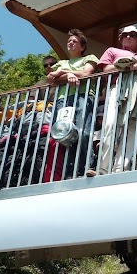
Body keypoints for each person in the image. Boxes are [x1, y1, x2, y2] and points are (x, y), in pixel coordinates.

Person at [92, 25, 137, 176]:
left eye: (132, 35)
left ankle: (120, 168)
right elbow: (105, 70)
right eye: (125, 35)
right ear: (120, 39)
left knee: (131, 128)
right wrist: (124, 66)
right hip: (116, 89)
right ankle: (103, 169)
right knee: (110, 125)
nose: (128, 37)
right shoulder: (112, 50)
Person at [47, 29, 98, 178]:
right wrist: (66, 73)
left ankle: (86, 166)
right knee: (63, 134)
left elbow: (86, 73)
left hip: (84, 95)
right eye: (69, 41)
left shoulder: (89, 58)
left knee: (83, 131)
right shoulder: (61, 63)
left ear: (82, 47)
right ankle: (67, 172)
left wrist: (64, 73)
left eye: (74, 41)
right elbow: (52, 79)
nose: (70, 42)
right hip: (63, 99)